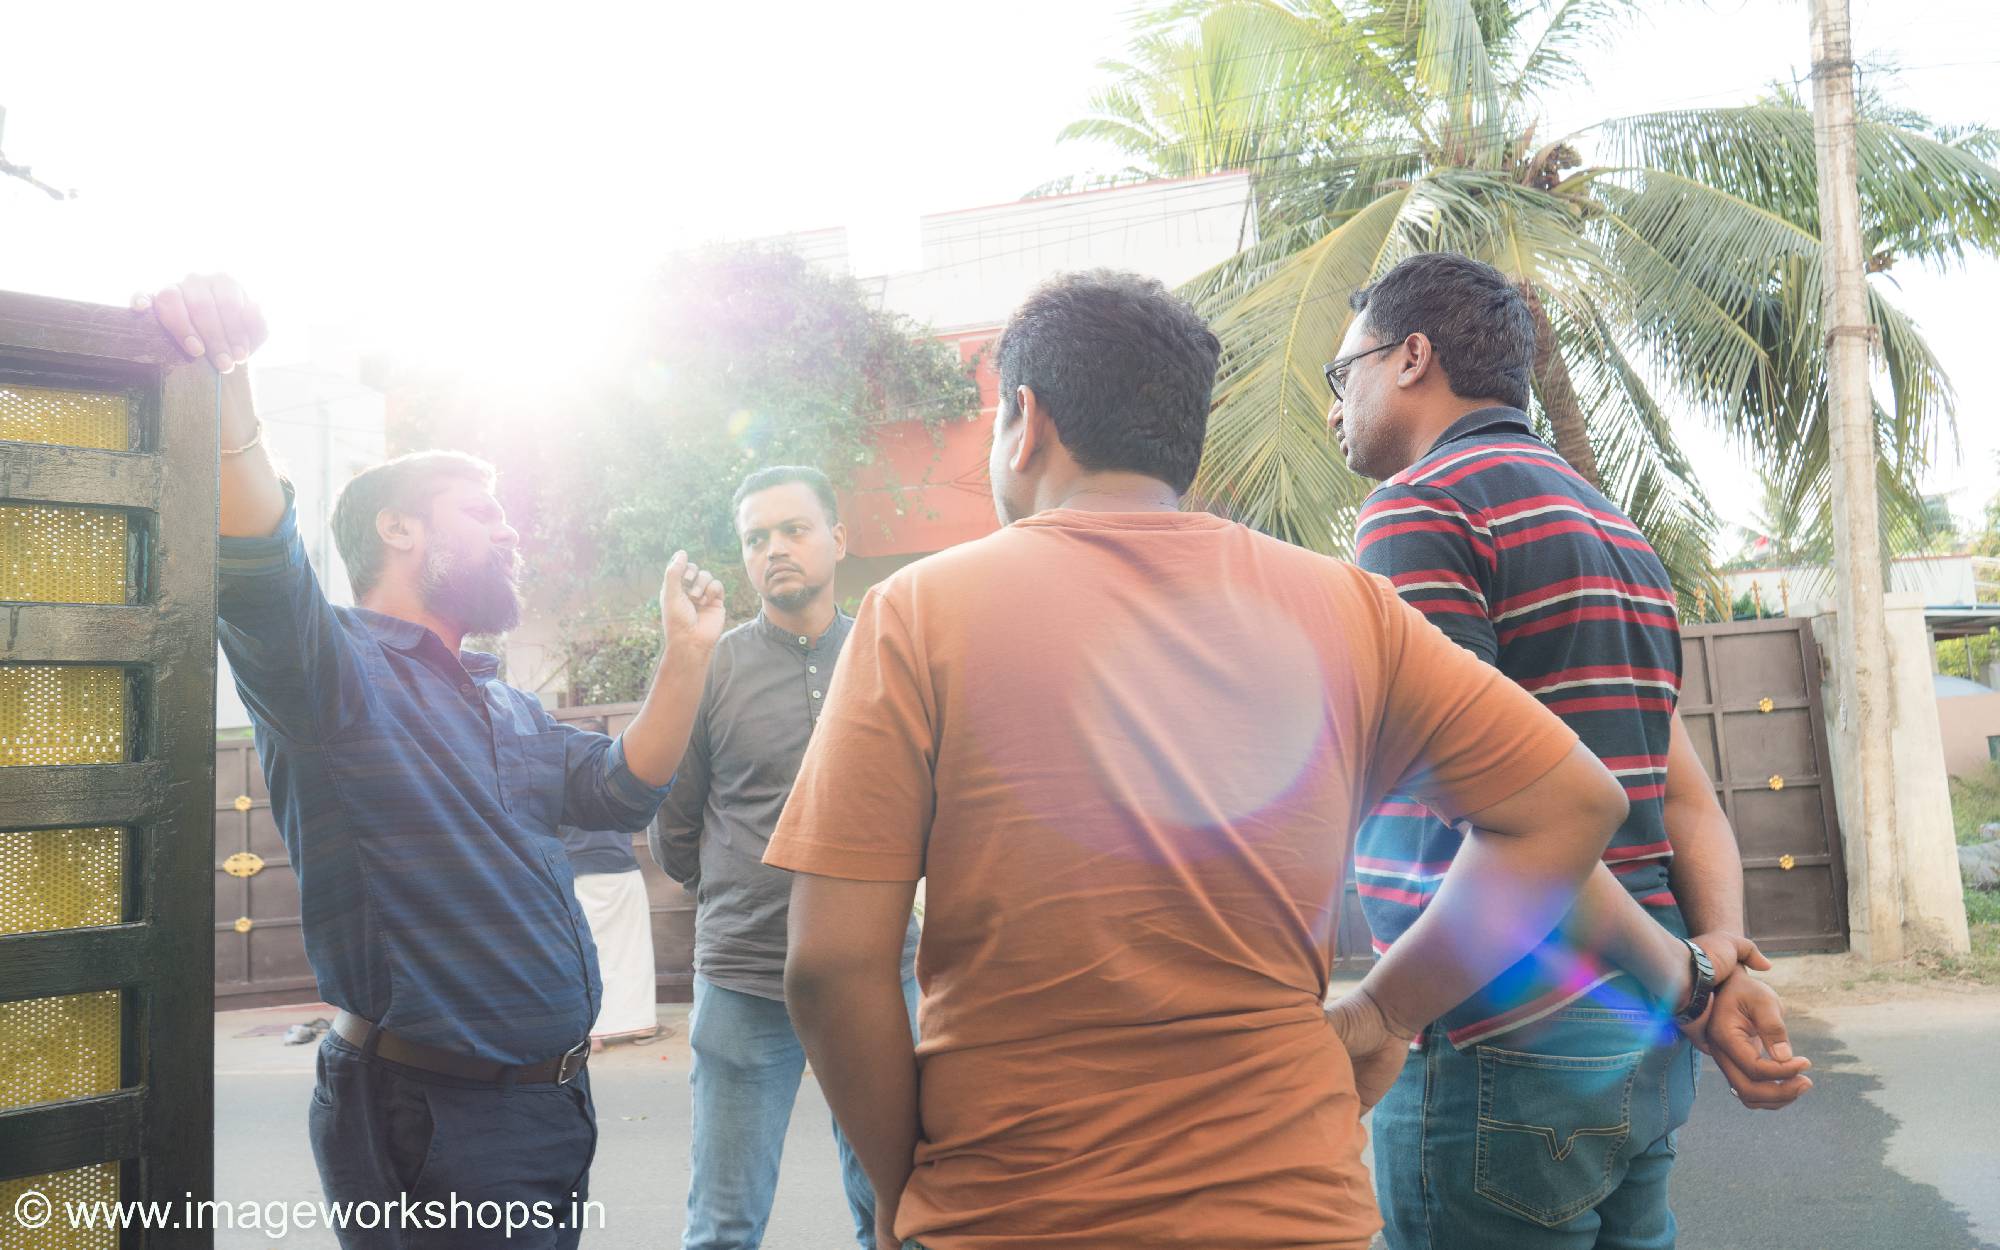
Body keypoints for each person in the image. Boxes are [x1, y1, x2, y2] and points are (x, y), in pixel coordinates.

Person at [764, 269, 1648, 1250]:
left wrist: (899, 1189)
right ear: (1181, 439)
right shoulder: (1344, 605)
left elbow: (831, 965)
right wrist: (1385, 1013)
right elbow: (1572, 806)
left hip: (1009, 1212)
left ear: (1026, 420)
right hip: (1296, 1213)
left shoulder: (916, 612)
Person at [141, 274, 724, 1250]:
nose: (510, 528)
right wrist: (229, 374)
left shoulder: (506, 702)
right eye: (481, 510)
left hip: (551, 1108)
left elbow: (624, 787)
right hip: (430, 1118)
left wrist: (688, 656)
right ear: (398, 528)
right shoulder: (334, 673)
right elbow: (261, 563)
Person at [1328, 251, 1813, 1250]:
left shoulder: (1421, 508)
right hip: (1634, 1033)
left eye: (1345, 373)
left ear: (1411, 357)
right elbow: (1684, 796)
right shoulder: (1614, 530)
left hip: (1498, 1024)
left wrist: (1691, 978)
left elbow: (1525, 822)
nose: (1337, 409)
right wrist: (1711, 959)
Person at [649, 465, 919, 1250]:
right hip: (745, 976)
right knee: (724, 1227)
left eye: (794, 530)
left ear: (838, 538)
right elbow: (675, 823)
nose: (775, 549)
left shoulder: (888, 653)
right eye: (756, 538)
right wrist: (743, 892)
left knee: (898, 1217)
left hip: (877, 976)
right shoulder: (713, 666)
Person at [558, 721, 662, 1051]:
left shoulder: (559, 775)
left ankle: (596, 1030)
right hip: (619, 870)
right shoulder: (619, 776)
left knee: (586, 952)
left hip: (578, 871)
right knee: (632, 951)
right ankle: (639, 1023)